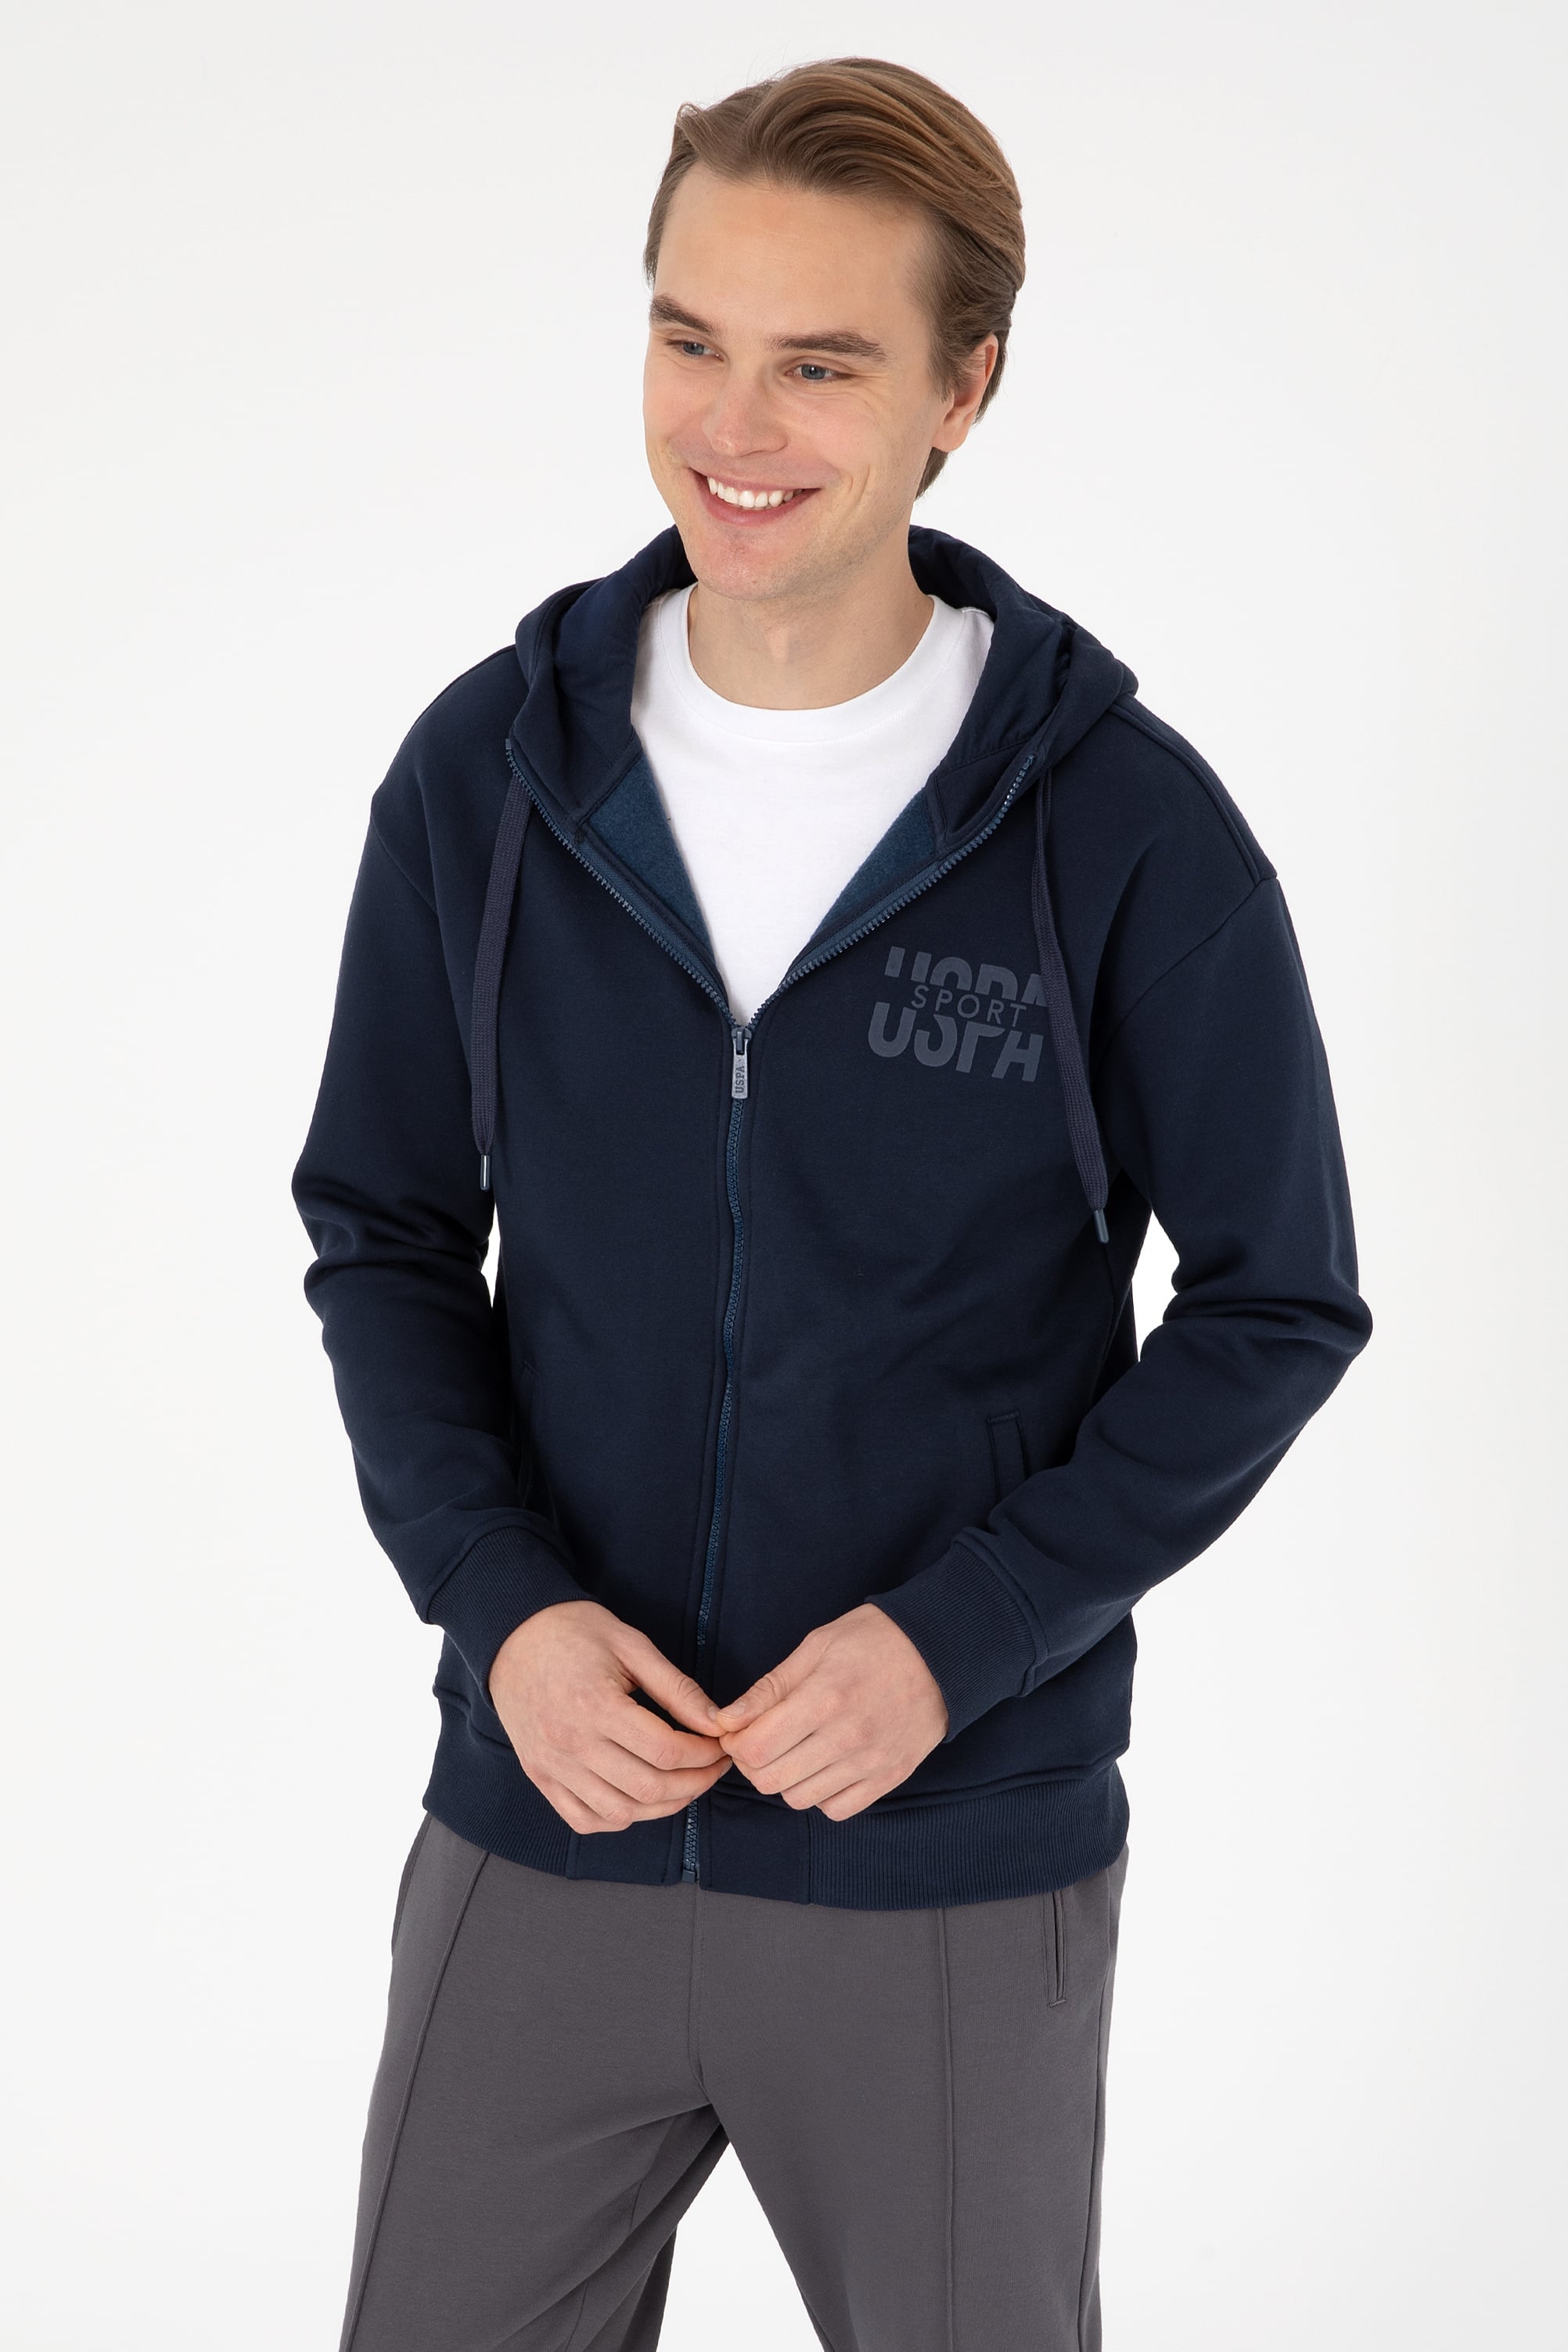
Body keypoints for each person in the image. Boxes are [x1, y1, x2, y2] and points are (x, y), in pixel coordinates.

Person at [291, 55, 1372, 2352]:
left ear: (963, 391)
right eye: (688, 336)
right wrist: (502, 1610)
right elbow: (381, 1227)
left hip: (942, 1863)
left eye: (820, 363)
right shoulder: (488, 774)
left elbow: (1277, 1297)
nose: (732, 423)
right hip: (547, 1817)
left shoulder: (1122, 827)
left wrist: (960, 1640)